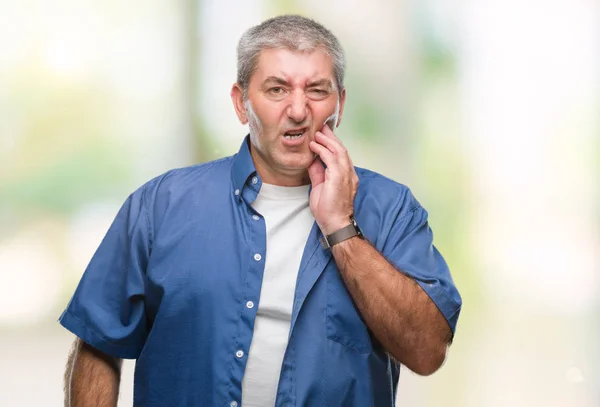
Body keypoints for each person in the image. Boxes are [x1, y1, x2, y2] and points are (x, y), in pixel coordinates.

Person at [60, 14, 462, 407]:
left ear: (339, 103)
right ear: (241, 103)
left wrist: (341, 228)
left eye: (318, 91)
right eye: (277, 90)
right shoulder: (160, 205)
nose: (299, 110)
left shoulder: (393, 210)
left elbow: (427, 353)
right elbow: (98, 343)